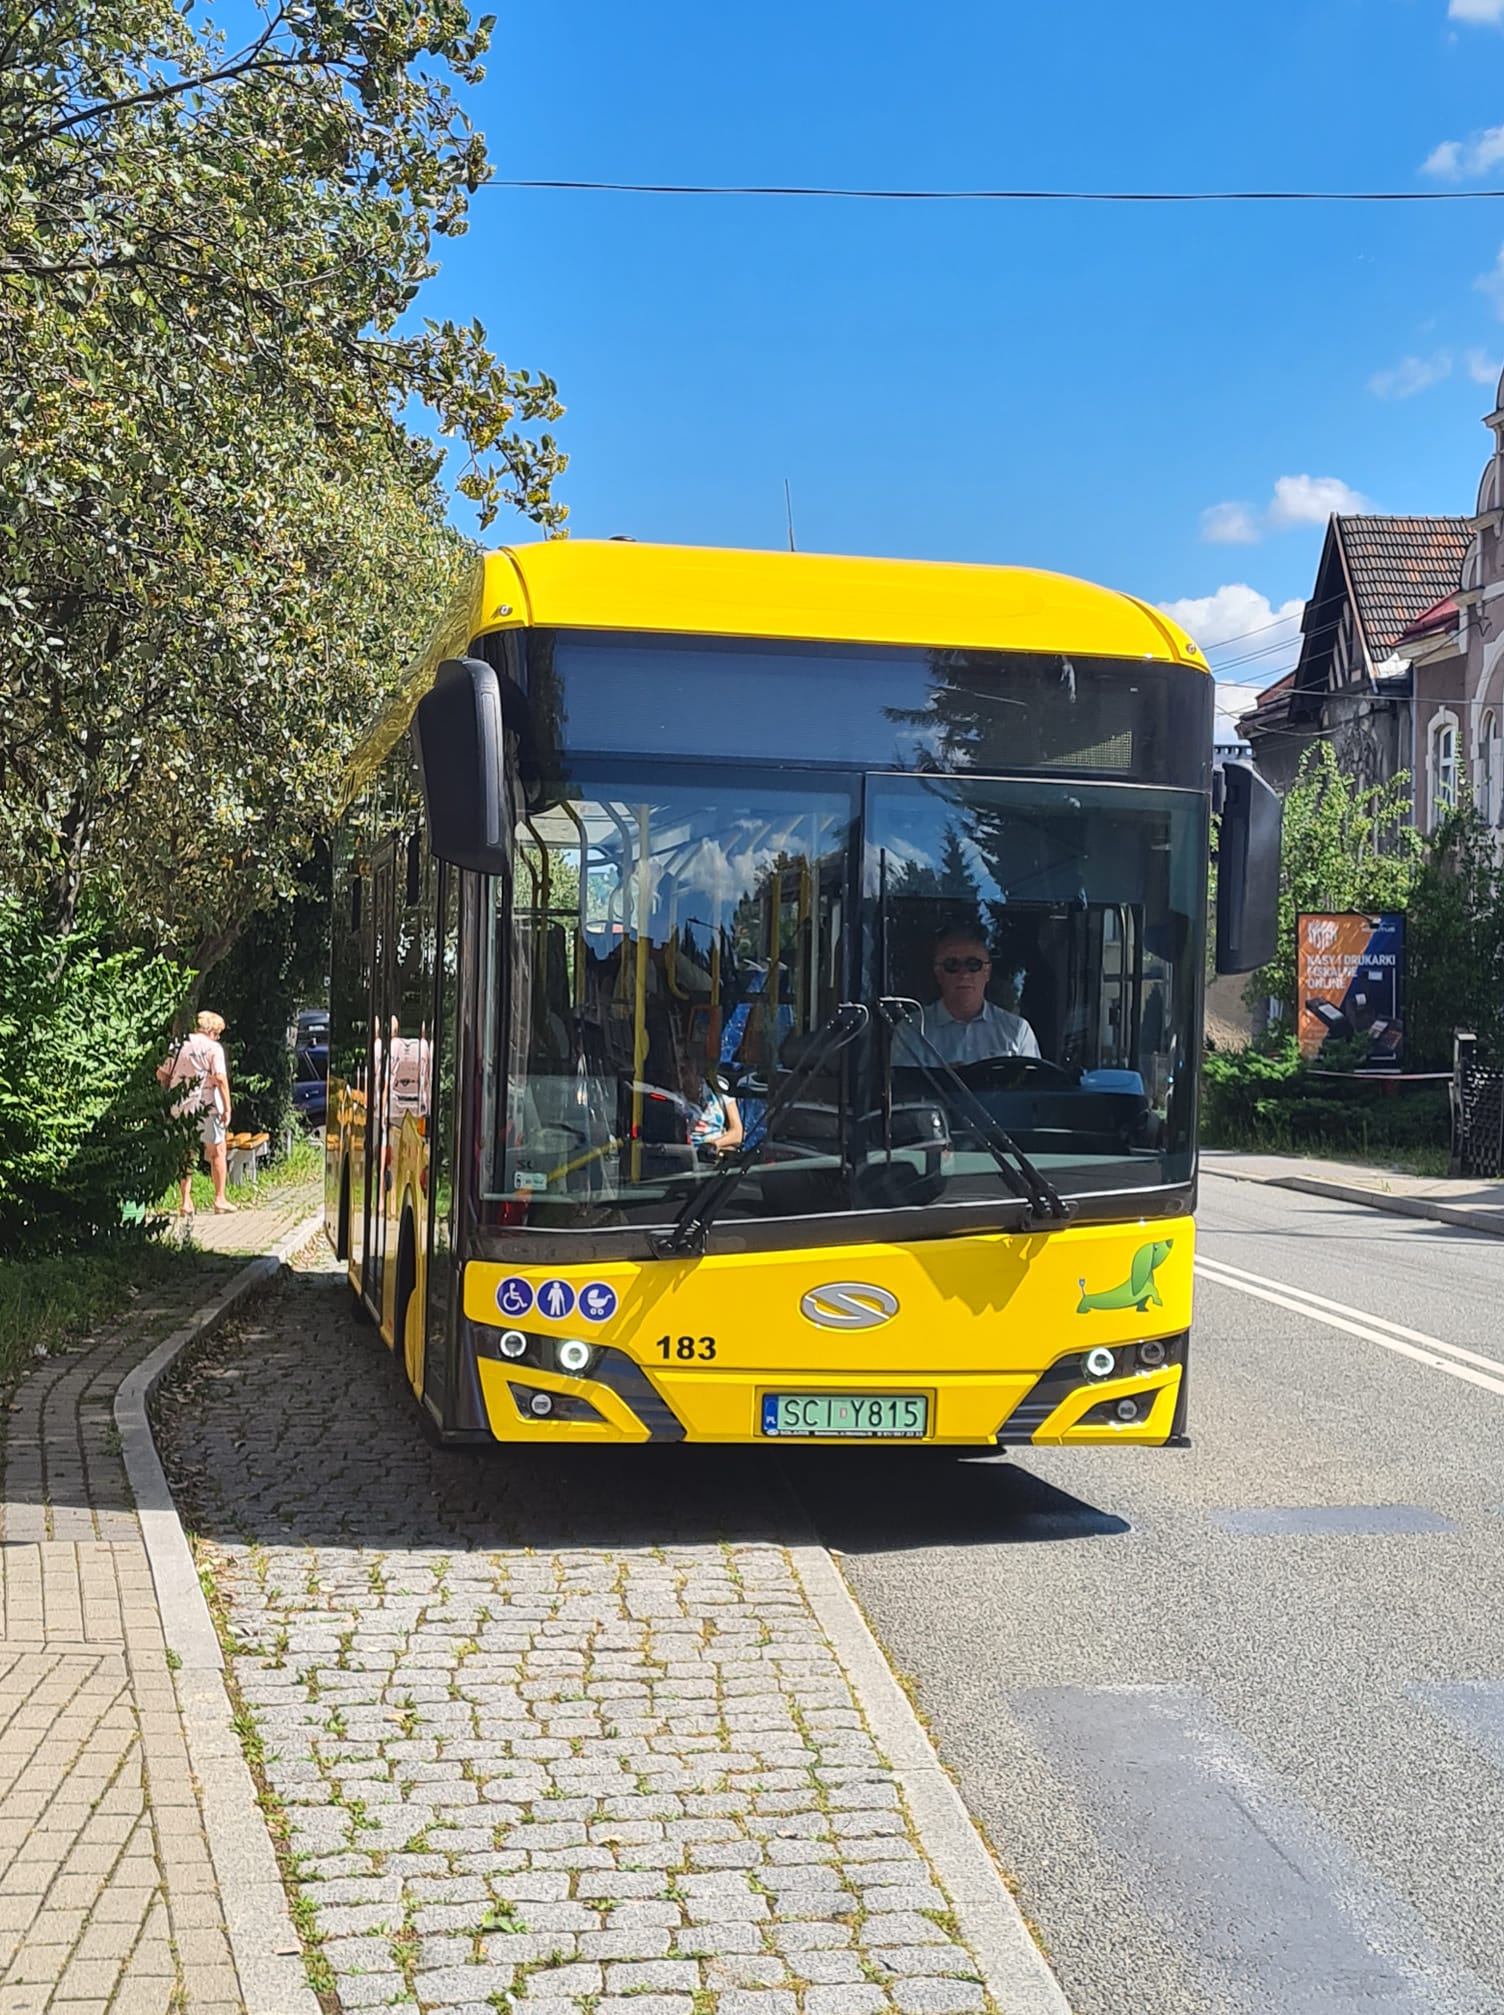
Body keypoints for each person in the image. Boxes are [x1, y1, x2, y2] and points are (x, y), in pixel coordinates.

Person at [893, 925, 1041, 1067]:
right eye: (952, 965)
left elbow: (1031, 1089)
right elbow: (904, 1090)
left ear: (987, 972)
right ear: (938, 973)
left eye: (973, 964)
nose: (964, 974)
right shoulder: (912, 1031)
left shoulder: (1017, 1031)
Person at [158, 1011, 234, 1215]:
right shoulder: (213, 1048)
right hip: (206, 1106)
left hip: (180, 1106)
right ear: (211, 1031)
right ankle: (220, 1199)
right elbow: (220, 1079)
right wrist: (227, 1108)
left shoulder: (178, 1045)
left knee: (186, 1153)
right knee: (217, 1151)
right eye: (217, 1033)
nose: (218, 1037)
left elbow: (161, 1073)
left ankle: (185, 1202)